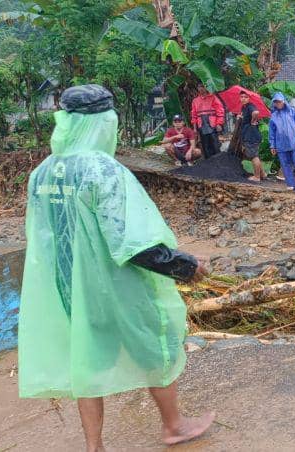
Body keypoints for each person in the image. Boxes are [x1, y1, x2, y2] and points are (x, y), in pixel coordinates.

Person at [17, 84, 215, 451]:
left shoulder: (42, 173)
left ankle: (94, 446)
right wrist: (185, 266)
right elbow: (129, 242)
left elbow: (41, 235)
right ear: (102, 124)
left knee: (87, 357)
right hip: (114, 284)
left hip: (67, 285)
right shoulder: (101, 170)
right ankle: (174, 426)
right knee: (155, 344)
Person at [268, 92, 295, 192]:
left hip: (294, 142)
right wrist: (272, 146)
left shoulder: (292, 112)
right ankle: (291, 184)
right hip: (280, 144)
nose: (278, 104)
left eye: (280, 101)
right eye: (276, 102)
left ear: (284, 101)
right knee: (285, 164)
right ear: (274, 103)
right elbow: (271, 132)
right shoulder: (273, 116)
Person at [236, 90, 266, 182]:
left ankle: (257, 177)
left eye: (246, 97)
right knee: (254, 155)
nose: (243, 99)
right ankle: (263, 174)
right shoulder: (244, 108)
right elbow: (245, 118)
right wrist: (241, 117)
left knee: (253, 157)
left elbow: (256, 112)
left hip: (251, 136)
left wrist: (253, 120)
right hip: (248, 135)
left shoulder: (250, 106)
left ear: (249, 98)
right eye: (242, 97)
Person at [190, 85, 225, 159]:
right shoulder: (195, 101)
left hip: (212, 124)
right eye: (199, 87)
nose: (201, 88)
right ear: (197, 88)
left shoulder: (213, 97)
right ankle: (209, 162)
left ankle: (218, 160)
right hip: (201, 125)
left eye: (203, 86)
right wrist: (195, 128)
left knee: (215, 143)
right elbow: (194, 115)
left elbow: (220, 111)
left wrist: (219, 123)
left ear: (206, 88)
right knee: (205, 144)